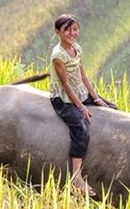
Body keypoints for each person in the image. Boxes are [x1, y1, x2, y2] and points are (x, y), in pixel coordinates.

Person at [49, 14, 117, 197]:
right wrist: (81, 106)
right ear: (58, 32)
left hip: (80, 91)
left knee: (113, 108)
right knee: (81, 128)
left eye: (75, 29)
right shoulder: (58, 56)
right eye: (67, 30)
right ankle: (76, 177)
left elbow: (83, 77)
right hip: (64, 98)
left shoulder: (76, 48)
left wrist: (95, 99)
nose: (72, 33)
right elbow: (66, 85)